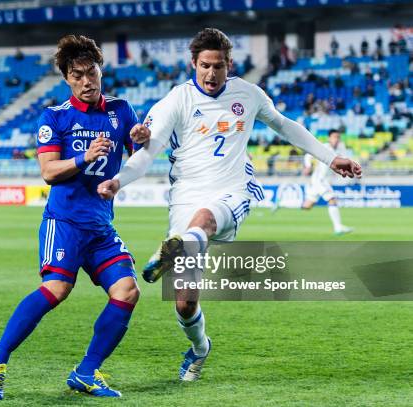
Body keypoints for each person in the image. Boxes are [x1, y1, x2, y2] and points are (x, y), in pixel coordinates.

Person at [97, 28, 362, 382]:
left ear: (229, 64)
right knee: (184, 300)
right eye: (204, 65)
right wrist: (118, 182)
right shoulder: (176, 100)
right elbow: (147, 154)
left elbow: (285, 126)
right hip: (186, 196)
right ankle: (200, 348)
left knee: (203, 221)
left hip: (232, 191)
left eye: (218, 66)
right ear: (193, 63)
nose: (210, 73)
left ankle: (175, 248)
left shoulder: (248, 94)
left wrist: (330, 158)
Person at [0, 34, 140, 400]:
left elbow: (140, 151)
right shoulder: (54, 117)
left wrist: (144, 139)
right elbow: (49, 172)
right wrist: (85, 157)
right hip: (64, 222)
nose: (87, 81)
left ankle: (86, 371)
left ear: (101, 72)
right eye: (78, 74)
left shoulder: (121, 110)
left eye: (92, 72)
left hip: (100, 225)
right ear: (67, 79)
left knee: (127, 290)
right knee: (57, 288)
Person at [301, 130, 354, 235]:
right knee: (332, 199)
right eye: (334, 137)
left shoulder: (341, 148)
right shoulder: (323, 147)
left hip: (323, 180)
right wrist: (308, 166)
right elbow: (308, 155)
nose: (336, 139)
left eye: (338, 137)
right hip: (320, 179)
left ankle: (281, 203)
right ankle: (338, 228)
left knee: (307, 206)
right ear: (329, 138)